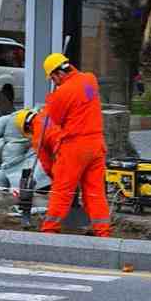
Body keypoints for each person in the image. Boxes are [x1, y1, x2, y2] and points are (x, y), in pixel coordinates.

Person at [41, 53, 111, 237]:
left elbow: (56, 119)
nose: (54, 82)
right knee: (95, 192)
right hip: (96, 145)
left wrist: (51, 101)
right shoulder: (90, 80)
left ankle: (49, 230)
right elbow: (85, 98)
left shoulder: (60, 94)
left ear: (58, 74)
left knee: (62, 190)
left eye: (53, 78)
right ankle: (102, 232)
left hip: (75, 146)